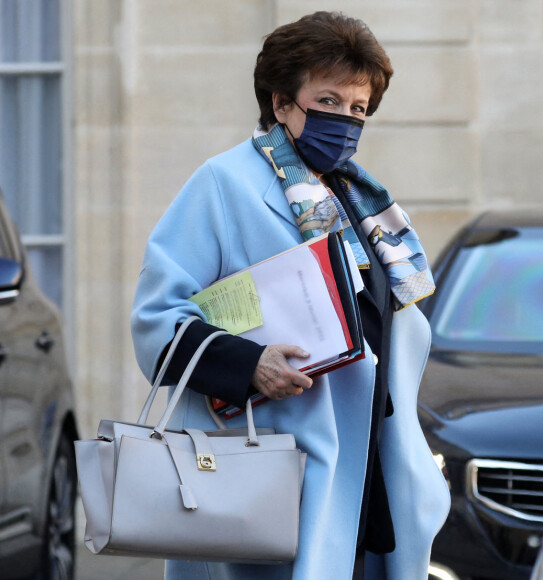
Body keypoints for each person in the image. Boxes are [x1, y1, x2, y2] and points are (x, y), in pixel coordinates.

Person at [131, 11, 450, 580]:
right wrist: (250, 365)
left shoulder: (361, 198)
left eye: (358, 108)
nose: (346, 121)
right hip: (270, 473)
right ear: (281, 103)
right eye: (328, 101)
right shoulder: (223, 184)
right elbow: (156, 318)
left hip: (373, 471)